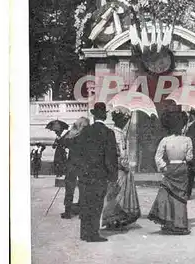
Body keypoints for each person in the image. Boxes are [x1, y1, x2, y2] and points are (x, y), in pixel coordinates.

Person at [78, 102, 118, 242]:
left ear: (94, 116)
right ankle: (93, 234)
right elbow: (110, 157)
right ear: (105, 116)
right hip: (100, 174)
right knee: (96, 204)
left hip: (85, 173)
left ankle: (84, 232)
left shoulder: (85, 131)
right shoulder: (108, 133)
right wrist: (113, 175)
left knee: (85, 202)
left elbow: (79, 152)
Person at [148, 111, 193, 235]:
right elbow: (189, 158)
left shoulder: (165, 140)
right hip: (182, 168)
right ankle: (180, 224)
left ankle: (169, 223)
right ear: (182, 125)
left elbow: (158, 157)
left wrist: (164, 168)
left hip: (170, 168)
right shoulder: (187, 140)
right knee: (180, 198)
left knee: (168, 196)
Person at [101, 111, 141, 230]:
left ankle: (118, 218)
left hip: (121, 166)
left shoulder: (120, 133)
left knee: (120, 193)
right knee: (116, 193)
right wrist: (123, 165)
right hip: (118, 167)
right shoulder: (115, 134)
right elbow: (117, 153)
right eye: (123, 121)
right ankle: (111, 218)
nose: (125, 123)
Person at [59, 117, 90, 219]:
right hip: (84, 164)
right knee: (83, 188)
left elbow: (62, 142)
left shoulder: (71, 134)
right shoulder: (87, 135)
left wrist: (71, 131)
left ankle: (67, 212)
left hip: (71, 164)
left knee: (69, 188)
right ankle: (82, 212)